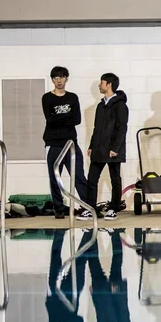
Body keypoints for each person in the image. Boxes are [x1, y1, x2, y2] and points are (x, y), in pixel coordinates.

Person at [42, 66, 89, 219]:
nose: (59, 80)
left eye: (62, 77)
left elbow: (77, 119)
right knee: (55, 177)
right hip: (53, 143)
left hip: (70, 143)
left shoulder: (72, 97)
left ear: (66, 78)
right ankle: (59, 208)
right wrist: (67, 116)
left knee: (79, 176)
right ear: (52, 80)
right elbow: (49, 119)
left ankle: (88, 206)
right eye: (56, 78)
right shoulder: (47, 98)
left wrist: (58, 117)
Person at [83, 73, 129, 221]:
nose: (99, 85)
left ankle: (114, 208)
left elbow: (122, 128)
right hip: (98, 149)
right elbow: (96, 128)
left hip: (112, 150)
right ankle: (91, 209)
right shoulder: (100, 105)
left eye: (101, 82)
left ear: (109, 84)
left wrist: (115, 148)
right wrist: (91, 145)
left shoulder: (120, 105)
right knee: (92, 179)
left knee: (114, 179)